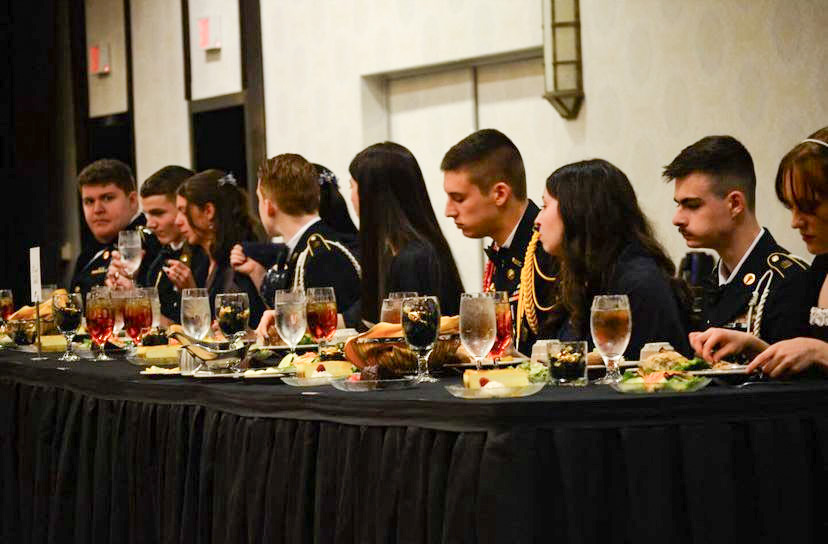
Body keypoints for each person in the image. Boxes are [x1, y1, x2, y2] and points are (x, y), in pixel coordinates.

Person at [690, 127, 828, 378]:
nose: (795, 222)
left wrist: (819, 352)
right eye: (791, 207)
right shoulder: (821, 268)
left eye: (808, 207)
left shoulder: (794, 276)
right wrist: (755, 348)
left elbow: (816, 354)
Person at [534, 159, 691, 359]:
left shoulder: (638, 282)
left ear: (578, 211)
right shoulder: (589, 274)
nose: (537, 220)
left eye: (545, 206)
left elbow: (642, 378)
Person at [665, 135, 811, 344]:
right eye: (678, 205)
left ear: (734, 204)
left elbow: (790, 376)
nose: (677, 219)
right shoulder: (713, 282)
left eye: (693, 205)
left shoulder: (788, 281)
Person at [442, 129, 556, 353]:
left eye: (459, 198)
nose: (448, 211)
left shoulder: (549, 249)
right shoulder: (502, 249)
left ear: (500, 194)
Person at [236, 154, 361, 334]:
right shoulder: (301, 248)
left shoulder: (322, 255)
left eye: (259, 199)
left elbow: (336, 337)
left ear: (269, 206)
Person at [346, 142, 464, 325]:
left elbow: (411, 336)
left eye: (352, 186)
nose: (351, 196)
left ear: (371, 194)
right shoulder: (396, 251)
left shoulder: (413, 257)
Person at [105, 165, 209, 325]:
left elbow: (188, 329)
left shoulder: (206, 256)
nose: (150, 224)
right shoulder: (158, 258)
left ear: (185, 208)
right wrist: (121, 293)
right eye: (146, 214)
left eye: (158, 213)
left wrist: (135, 300)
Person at [164, 169, 267, 327]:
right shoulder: (201, 259)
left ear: (208, 211)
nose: (177, 222)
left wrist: (193, 294)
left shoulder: (239, 260)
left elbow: (230, 328)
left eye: (184, 212)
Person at [70, 158, 160, 297]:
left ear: (132, 201)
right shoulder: (88, 254)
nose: (97, 209)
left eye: (107, 198)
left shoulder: (151, 243)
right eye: (89, 201)